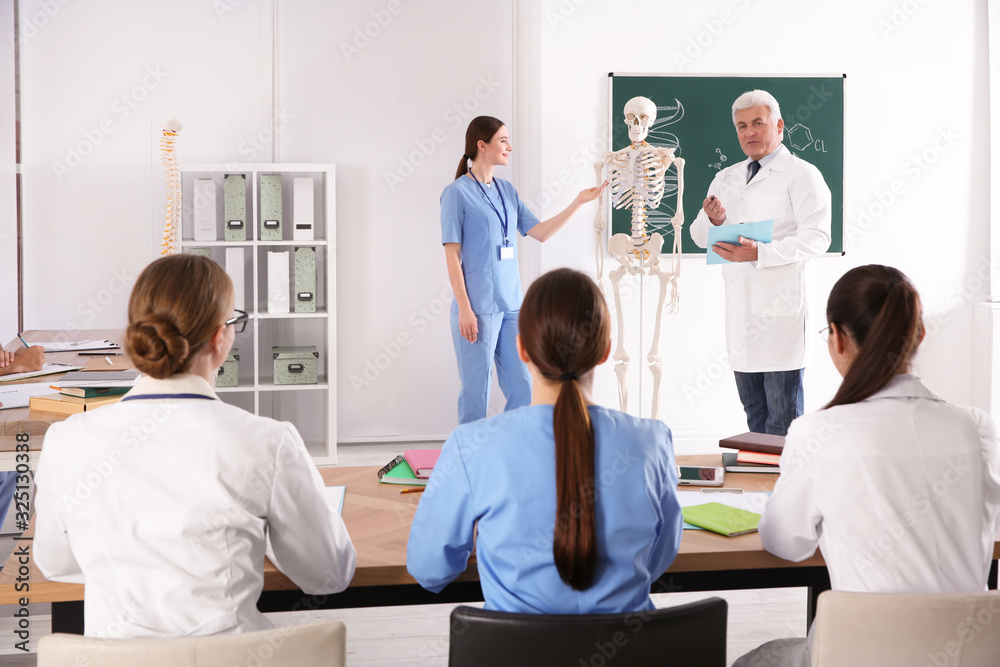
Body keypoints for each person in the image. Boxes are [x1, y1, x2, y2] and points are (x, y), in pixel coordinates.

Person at [33, 254, 356, 638]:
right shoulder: (268, 441)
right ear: (221, 338)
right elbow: (329, 574)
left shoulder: (67, 440)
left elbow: (54, 562)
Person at [734, 265, 1000, 667]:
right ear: (921, 335)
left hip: (856, 655)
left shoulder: (818, 431)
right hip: (971, 654)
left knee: (755, 659)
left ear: (837, 338)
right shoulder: (978, 428)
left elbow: (785, 543)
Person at [407, 268, 683, 613]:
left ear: (522, 349)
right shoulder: (652, 442)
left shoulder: (471, 445)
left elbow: (429, 569)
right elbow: (659, 555)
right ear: (605, 351)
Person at [443, 116, 605, 424]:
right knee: (477, 392)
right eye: (503, 140)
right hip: (476, 308)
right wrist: (464, 308)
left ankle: (513, 449)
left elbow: (540, 232)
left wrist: (578, 202)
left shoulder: (507, 191)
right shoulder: (456, 193)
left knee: (523, 387)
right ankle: (472, 459)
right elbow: (452, 257)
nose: (510, 146)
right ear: (482, 145)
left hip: (512, 306)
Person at [690, 89, 831, 436]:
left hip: (782, 319)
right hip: (742, 319)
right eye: (741, 126)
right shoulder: (727, 177)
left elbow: (817, 238)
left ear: (779, 125)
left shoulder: (802, 174)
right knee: (754, 420)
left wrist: (760, 253)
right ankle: (761, 490)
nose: (749, 132)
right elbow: (697, 235)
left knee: (782, 426)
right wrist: (715, 222)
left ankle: (786, 489)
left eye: (757, 123)